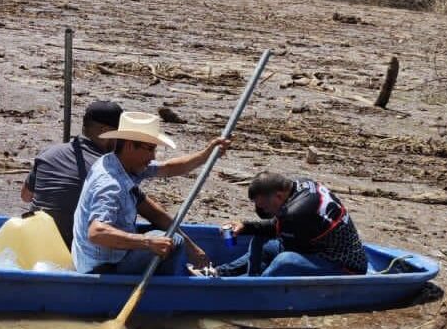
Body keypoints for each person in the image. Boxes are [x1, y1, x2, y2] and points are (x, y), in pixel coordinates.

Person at [72, 111, 230, 275]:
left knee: (167, 234)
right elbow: (96, 232)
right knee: (171, 240)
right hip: (101, 267)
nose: (153, 156)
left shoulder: (121, 163)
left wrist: (207, 154)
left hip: (106, 256)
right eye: (150, 149)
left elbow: (169, 168)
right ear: (129, 146)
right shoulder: (111, 184)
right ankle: (167, 285)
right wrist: (147, 242)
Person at [221, 171, 368, 277]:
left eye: (264, 205)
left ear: (278, 196)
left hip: (344, 266)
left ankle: (257, 289)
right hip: (314, 246)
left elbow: (275, 231)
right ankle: (225, 273)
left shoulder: (296, 213)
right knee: (259, 241)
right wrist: (245, 226)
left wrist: (250, 228)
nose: (262, 210)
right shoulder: (298, 184)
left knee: (283, 261)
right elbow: (273, 225)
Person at [21, 100, 123, 247]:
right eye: (120, 134)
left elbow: (25, 196)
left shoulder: (49, 153)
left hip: (33, 243)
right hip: (72, 252)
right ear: (104, 131)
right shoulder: (106, 167)